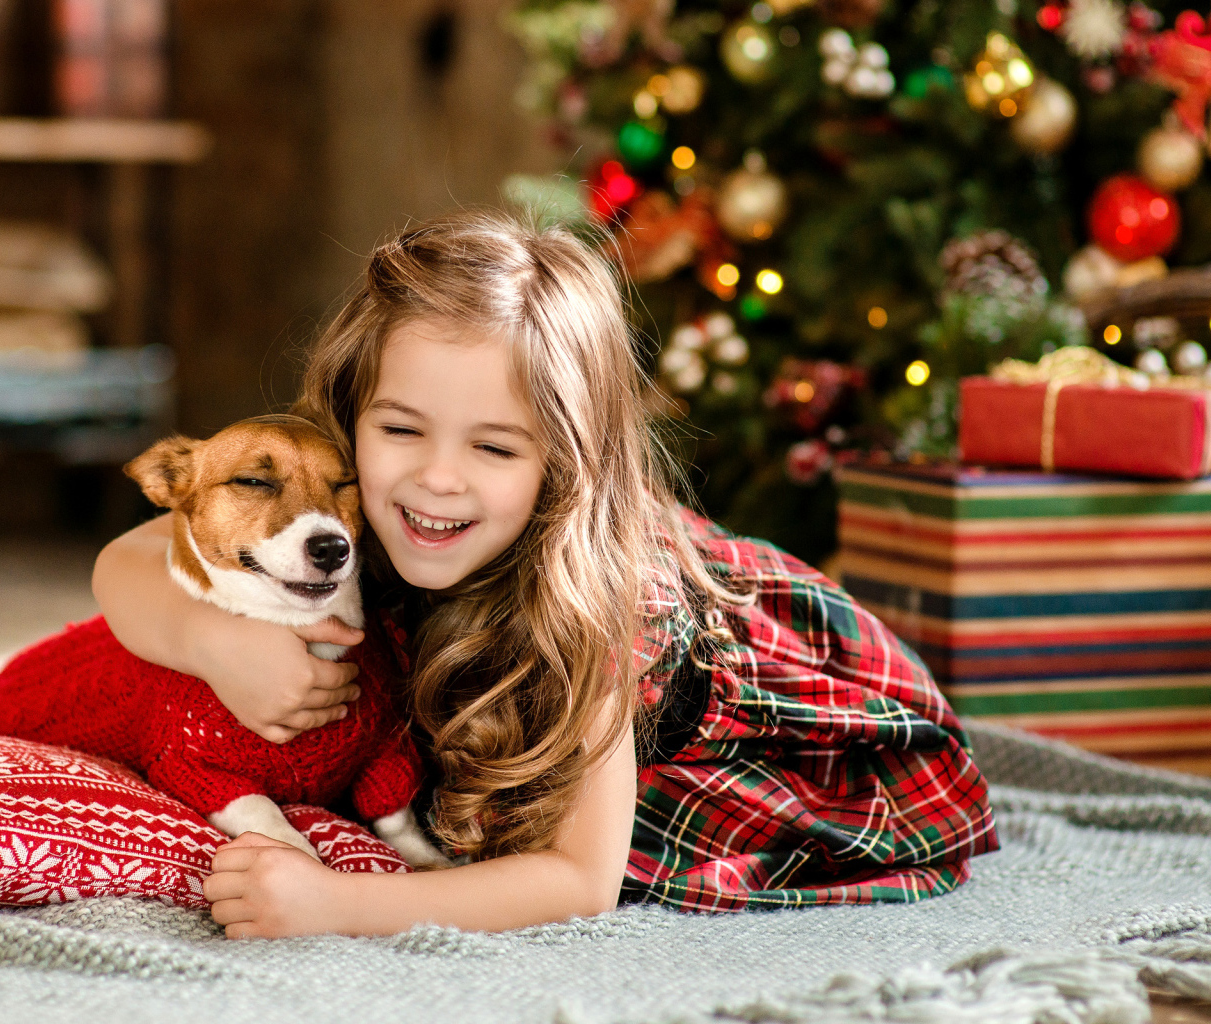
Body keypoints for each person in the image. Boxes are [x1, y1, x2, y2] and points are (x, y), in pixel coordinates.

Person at [93, 210, 998, 938]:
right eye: (400, 429)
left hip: (799, 741)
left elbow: (580, 879)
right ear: (348, 414)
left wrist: (340, 908)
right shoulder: (339, 490)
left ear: (561, 466)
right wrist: (213, 643)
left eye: (494, 446)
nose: (435, 479)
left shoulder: (602, 605)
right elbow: (128, 557)